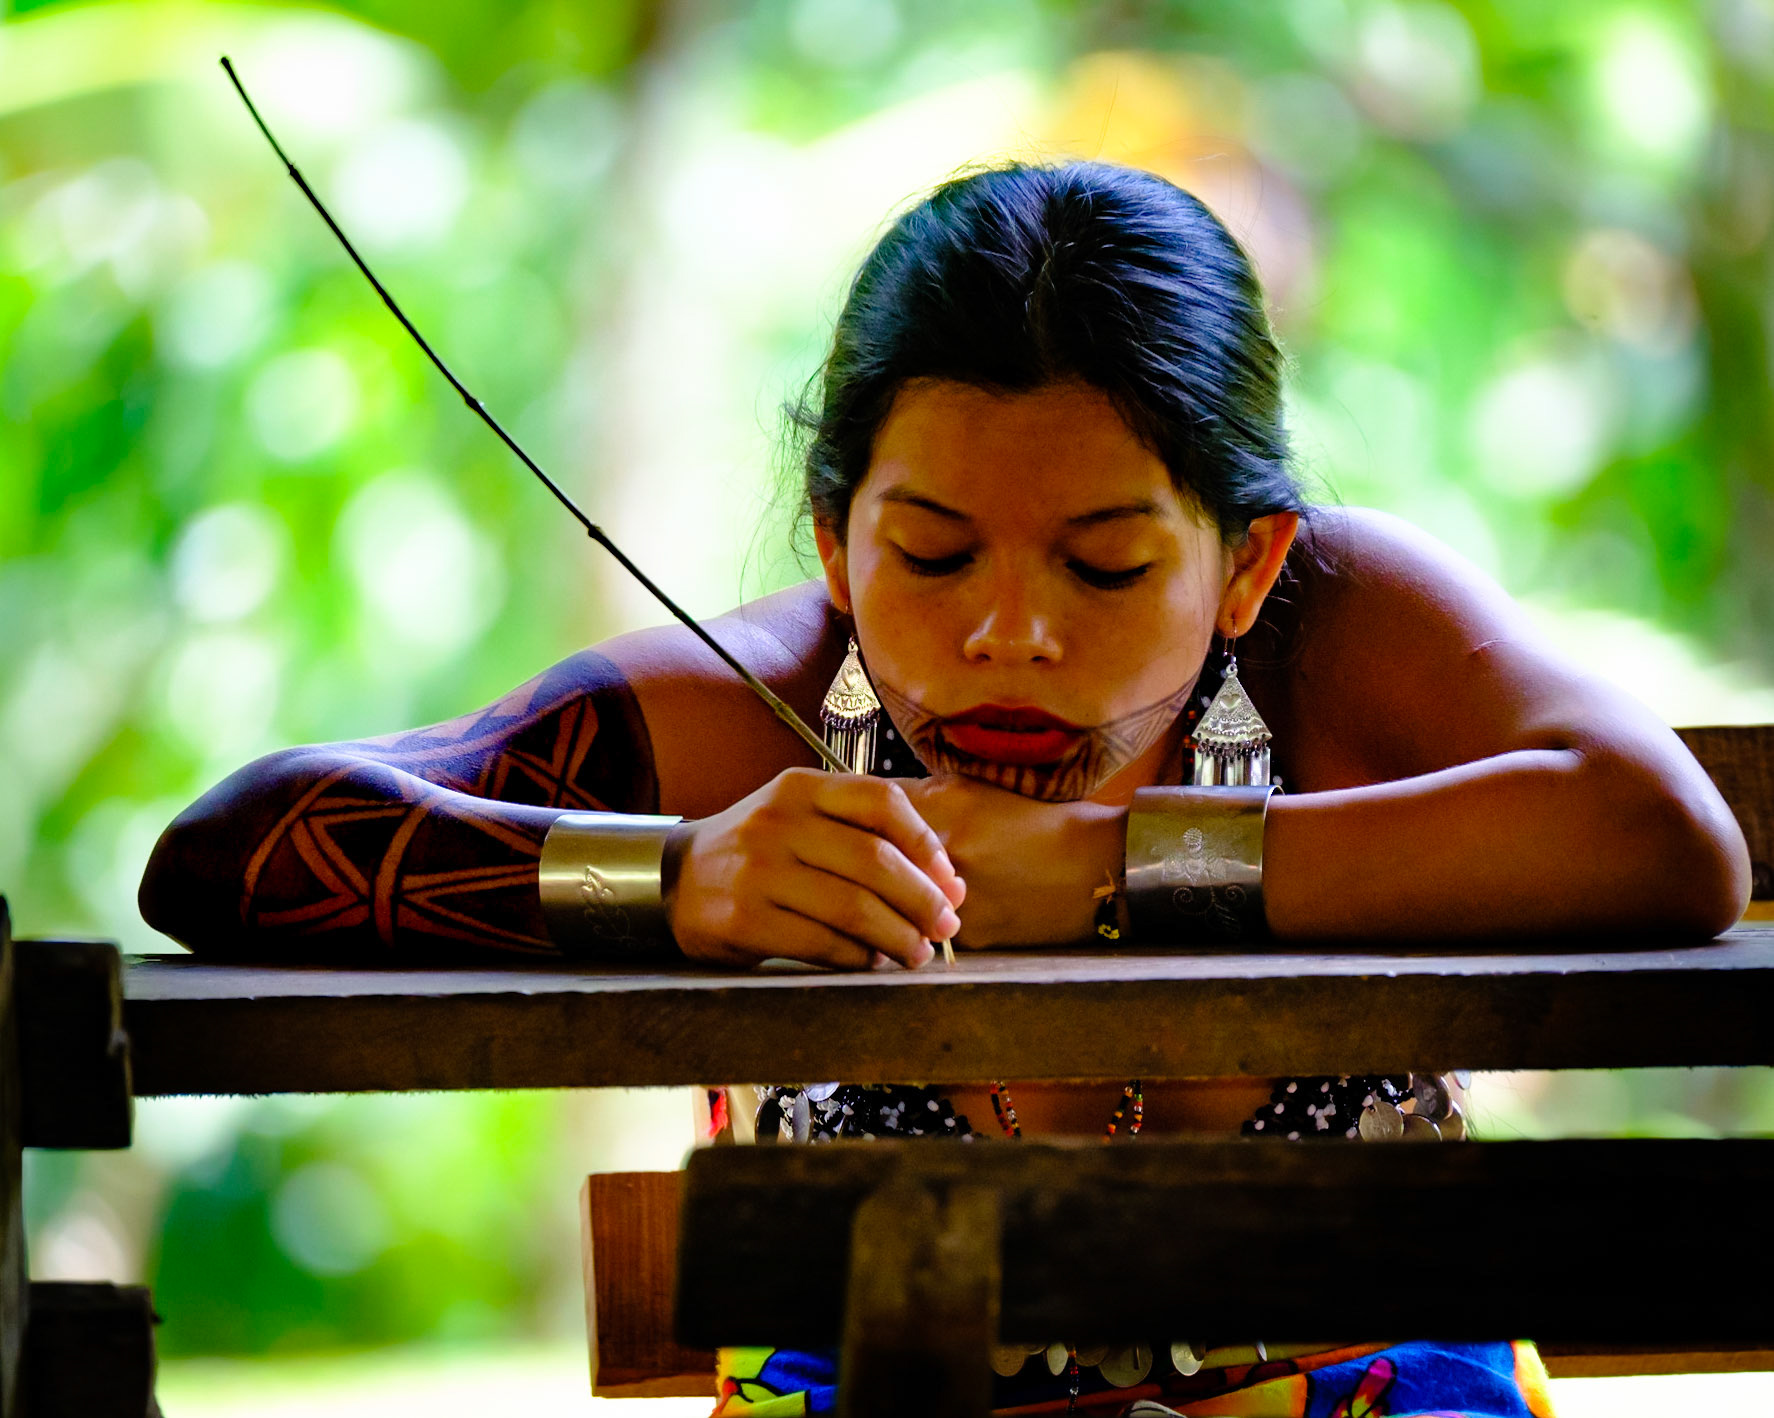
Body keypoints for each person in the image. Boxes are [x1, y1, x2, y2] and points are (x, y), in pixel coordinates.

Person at [140, 162, 1750, 1417]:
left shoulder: (1346, 632)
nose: (1006, 636)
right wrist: (674, 875)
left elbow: (1667, 835)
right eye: (928, 553)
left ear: (1247, 562)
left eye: (1105, 563)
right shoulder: (742, 714)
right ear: (835, 541)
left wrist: (1111, 861)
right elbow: (222, 854)